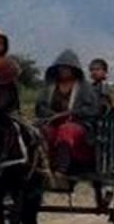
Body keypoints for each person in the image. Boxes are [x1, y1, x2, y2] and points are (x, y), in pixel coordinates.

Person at [35, 50, 100, 188]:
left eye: (66, 68)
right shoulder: (49, 87)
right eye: (60, 68)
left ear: (74, 69)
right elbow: (40, 107)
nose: (63, 71)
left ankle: (61, 172)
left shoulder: (84, 88)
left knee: (66, 131)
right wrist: (52, 115)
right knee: (41, 132)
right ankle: (43, 169)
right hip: (52, 123)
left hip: (78, 124)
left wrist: (70, 114)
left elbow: (91, 109)